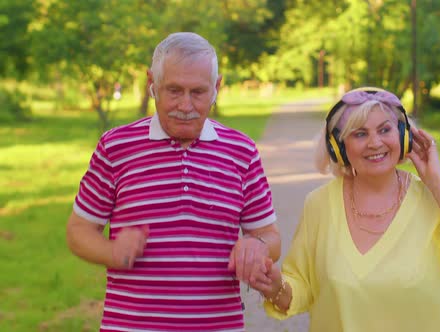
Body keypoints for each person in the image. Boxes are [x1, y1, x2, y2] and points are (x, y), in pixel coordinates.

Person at [66, 32, 281, 332]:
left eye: (198, 92)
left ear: (217, 87)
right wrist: (112, 252)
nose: (185, 105)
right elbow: (78, 231)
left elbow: (270, 236)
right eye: (174, 90)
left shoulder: (241, 151)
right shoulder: (115, 147)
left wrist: (257, 247)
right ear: (152, 83)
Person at [250, 87, 440, 331]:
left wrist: (437, 181)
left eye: (385, 130)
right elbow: (302, 287)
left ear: (404, 136)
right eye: (359, 134)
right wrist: (275, 287)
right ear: (339, 146)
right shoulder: (319, 205)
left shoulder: (432, 198)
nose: (375, 143)